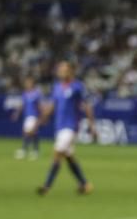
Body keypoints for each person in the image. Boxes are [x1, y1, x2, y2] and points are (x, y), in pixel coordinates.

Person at [34, 61, 97, 195]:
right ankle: (85, 184)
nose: (60, 72)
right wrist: (41, 121)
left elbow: (87, 105)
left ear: (70, 71)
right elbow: (52, 106)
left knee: (57, 153)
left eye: (63, 70)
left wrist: (92, 126)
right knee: (69, 156)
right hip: (59, 127)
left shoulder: (77, 87)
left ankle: (46, 186)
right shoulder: (57, 87)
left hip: (71, 127)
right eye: (59, 70)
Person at [11, 76, 42, 160]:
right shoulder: (25, 94)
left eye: (29, 83)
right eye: (26, 83)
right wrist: (17, 113)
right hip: (27, 116)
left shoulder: (36, 94)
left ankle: (24, 150)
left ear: (32, 84)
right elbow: (23, 105)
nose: (27, 84)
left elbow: (39, 106)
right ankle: (35, 151)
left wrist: (40, 116)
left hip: (33, 116)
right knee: (32, 133)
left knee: (28, 132)